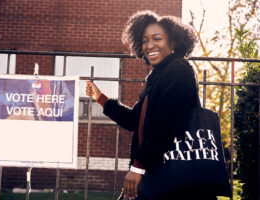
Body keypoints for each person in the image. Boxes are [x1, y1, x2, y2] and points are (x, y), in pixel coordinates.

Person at [86, 10, 216, 200]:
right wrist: (100, 98)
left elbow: (165, 124)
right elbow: (133, 120)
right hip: (155, 170)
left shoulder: (179, 70)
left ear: (173, 42)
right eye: (145, 40)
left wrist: (138, 167)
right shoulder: (157, 76)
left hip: (171, 173)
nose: (150, 45)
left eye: (157, 38)